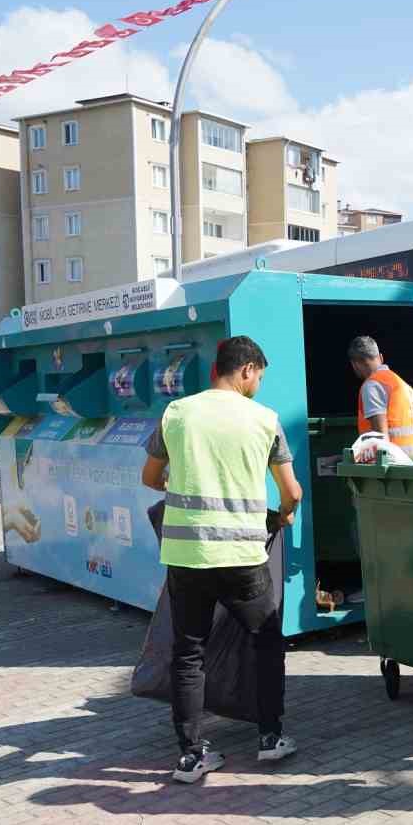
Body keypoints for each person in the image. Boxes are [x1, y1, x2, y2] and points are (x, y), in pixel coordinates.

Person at [140, 335, 304, 783]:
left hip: (187, 555)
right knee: (266, 641)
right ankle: (270, 738)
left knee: (188, 651)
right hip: (241, 557)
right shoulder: (264, 420)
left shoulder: (178, 413)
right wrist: (285, 516)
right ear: (246, 369)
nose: (259, 386)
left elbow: (150, 476)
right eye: (260, 377)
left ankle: (192, 756)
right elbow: (291, 491)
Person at [349, 336, 413, 454]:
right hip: (410, 460)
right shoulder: (402, 384)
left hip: (391, 465)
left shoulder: (372, 386)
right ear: (381, 357)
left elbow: (380, 437)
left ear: (355, 365)